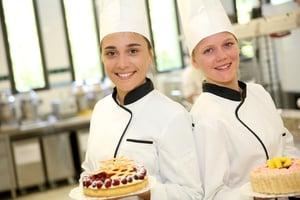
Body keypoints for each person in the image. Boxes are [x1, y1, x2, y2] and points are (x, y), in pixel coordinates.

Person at [177, 0, 300, 199]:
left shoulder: (258, 92)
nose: (222, 56)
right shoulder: (202, 118)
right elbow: (214, 195)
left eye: (228, 44)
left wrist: (291, 179)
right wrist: (261, 189)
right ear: (194, 61)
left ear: (238, 46)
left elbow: (286, 144)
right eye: (208, 50)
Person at [80, 0, 202, 199]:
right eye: (111, 53)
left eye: (133, 51)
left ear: (150, 56)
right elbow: (88, 170)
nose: (122, 63)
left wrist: (145, 191)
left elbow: (191, 193)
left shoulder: (172, 115)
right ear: (102, 58)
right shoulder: (101, 109)